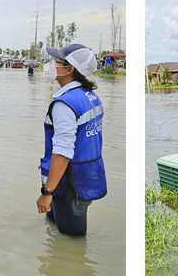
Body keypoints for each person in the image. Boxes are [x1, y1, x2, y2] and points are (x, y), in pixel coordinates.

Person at [36, 44, 107, 238]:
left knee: (71, 242)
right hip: (85, 175)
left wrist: (47, 192)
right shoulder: (89, 96)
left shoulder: (65, 104)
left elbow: (63, 151)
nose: (51, 65)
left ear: (69, 70)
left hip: (68, 183)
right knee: (55, 233)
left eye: (56, 61)